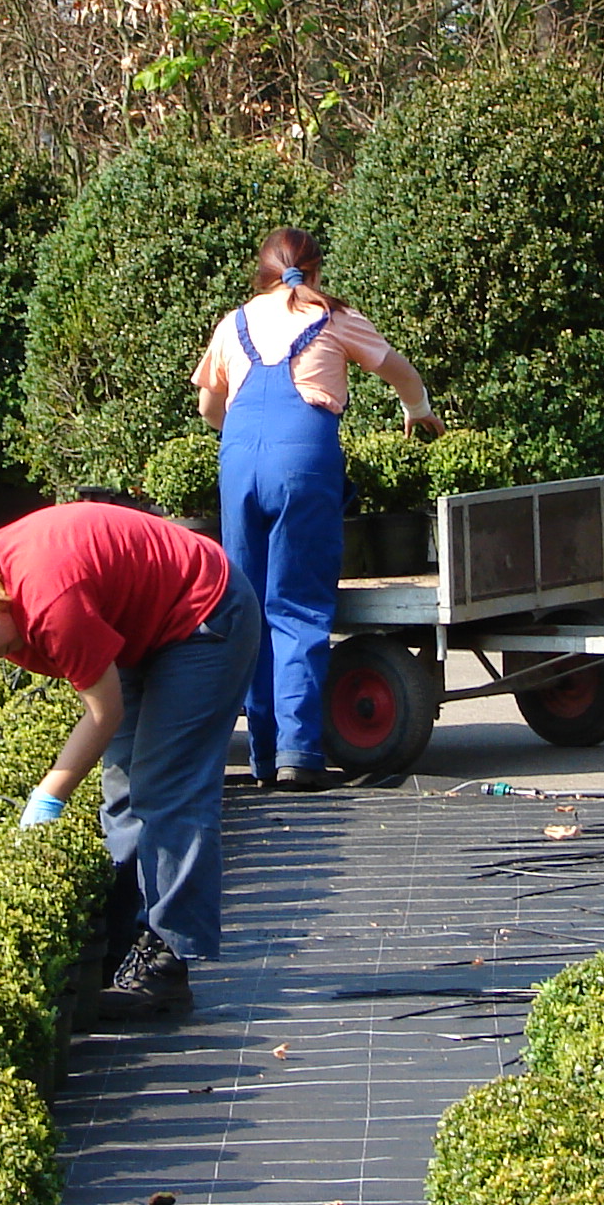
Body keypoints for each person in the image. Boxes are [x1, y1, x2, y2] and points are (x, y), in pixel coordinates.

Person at [0, 498, 261, 1021]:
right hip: (142, 627)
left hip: (204, 614)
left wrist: (49, 796)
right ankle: (124, 937)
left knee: (166, 789)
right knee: (123, 790)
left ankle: (166, 961)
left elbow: (104, 713)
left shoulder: (50, 604)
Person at [192, 228, 440, 790]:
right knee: (297, 604)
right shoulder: (333, 316)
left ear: (261, 273)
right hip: (303, 462)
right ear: (316, 271)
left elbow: (210, 406)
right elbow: (399, 371)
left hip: (238, 466)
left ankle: (259, 756)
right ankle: (298, 752)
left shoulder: (233, 324)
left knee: (247, 607)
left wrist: (244, 440)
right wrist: (416, 408)